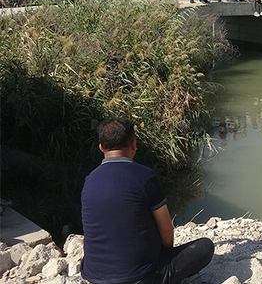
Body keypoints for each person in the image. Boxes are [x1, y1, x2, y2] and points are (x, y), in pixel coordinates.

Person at [81, 118, 214, 284]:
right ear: (134, 145)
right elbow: (166, 229)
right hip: (140, 277)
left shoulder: (89, 180)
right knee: (205, 247)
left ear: (101, 148)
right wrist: (166, 254)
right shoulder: (145, 177)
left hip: (94, 276)